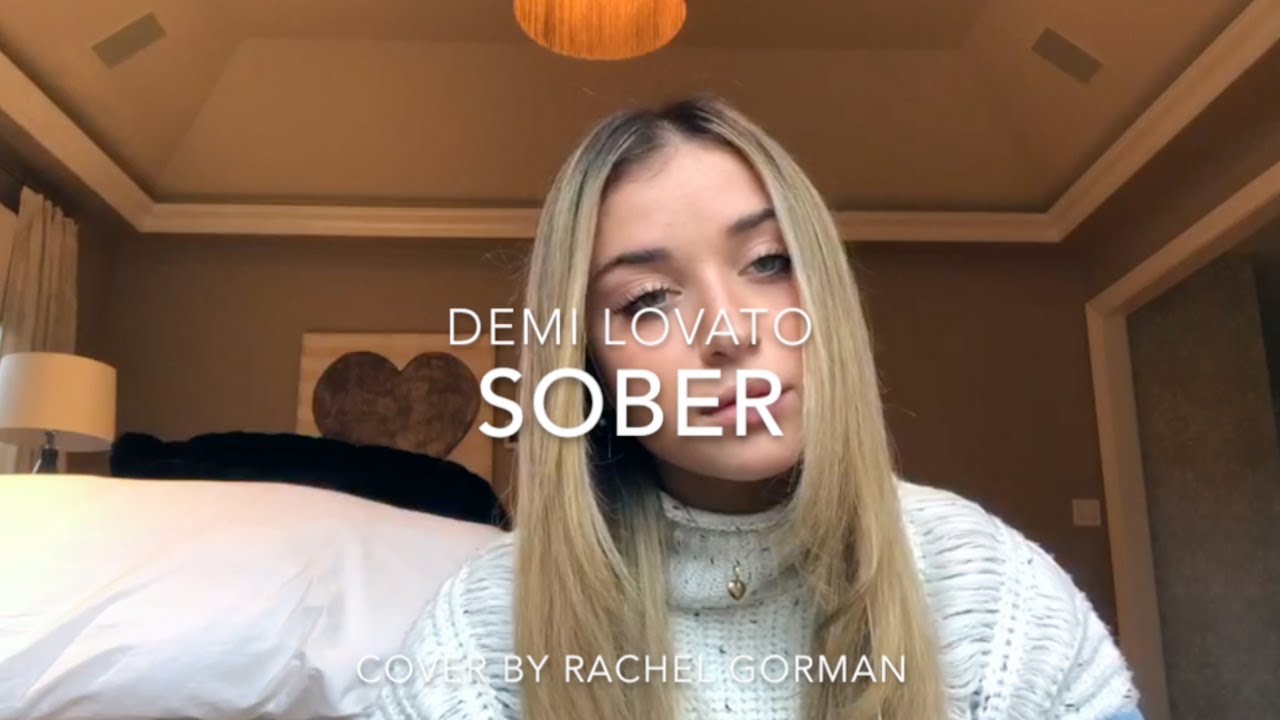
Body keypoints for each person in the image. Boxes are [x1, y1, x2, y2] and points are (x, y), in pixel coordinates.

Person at [366, 96, 1144, 720]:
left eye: (770, 262)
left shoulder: (990, 593)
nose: (730, 331)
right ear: (587, 361)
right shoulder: (484, 629)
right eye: (646, 300)